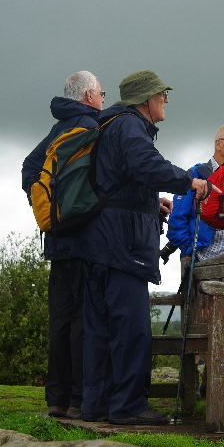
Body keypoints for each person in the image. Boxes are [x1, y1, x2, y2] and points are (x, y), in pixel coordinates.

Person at [70, 70, 213, 426]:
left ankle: (96, 406)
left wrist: (152, 203)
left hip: (99, 240)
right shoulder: (129, 125)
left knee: (100, 326)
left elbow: (121, 178)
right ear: (145, 99)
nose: (165, 100)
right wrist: (189, 180)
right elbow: (145, 164)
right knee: (131, 326)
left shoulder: (109, 125)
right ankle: (129, 406)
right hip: (123, 245)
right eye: (161, 94)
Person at [20, 70, 106, 419]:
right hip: (85, 238)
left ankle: (56, 399)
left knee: (60, 319)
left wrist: (53, 213)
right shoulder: (88, 127)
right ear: (88, 96)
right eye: (101, 92)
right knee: (83, 321)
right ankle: (77, 399)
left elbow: (29, 169)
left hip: (58, 239)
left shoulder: (58, 130)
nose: (103, 98)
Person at [165, 125, 224, 394]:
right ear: (218, 143)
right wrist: (191, 251)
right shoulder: (197, 175)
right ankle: (203, 381)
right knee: (201, 322)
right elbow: (176, 221)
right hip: (202, 259)